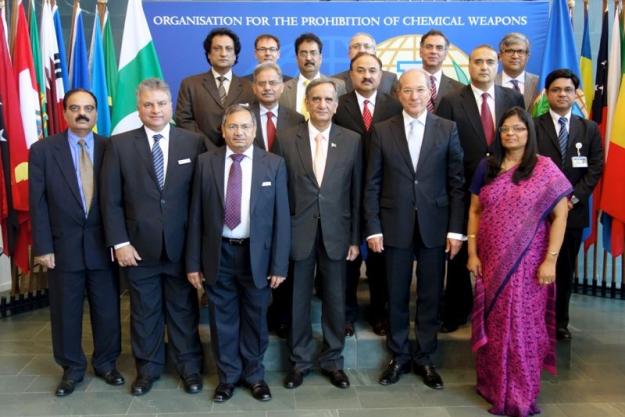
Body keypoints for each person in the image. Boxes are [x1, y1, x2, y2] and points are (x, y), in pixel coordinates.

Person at [101, 78, 206, 396]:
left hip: (181, 249)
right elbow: (110, 200)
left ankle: (189, 369)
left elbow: (199, 202)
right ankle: (147, 370)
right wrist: (120, 243)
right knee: (144, 313)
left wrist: (197, 251)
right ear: (139, 107)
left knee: (183, 310)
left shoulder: (193, 142)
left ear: (171, 105)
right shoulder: (118, 145)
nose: (155, 110)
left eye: (161, 103)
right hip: (137, 249)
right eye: (148, 104)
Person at [467, 107, 571, 417]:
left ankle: (520, 393)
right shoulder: (487, 167)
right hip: (490, 260)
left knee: (523, 325)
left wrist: (550, 260)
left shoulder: (544, 168)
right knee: (495, 324)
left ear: (529, 133)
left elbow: (561, 214)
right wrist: (472, 253)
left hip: (529, 263)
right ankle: (493, 385)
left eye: (518, 129)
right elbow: (474, 211)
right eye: (505, 129)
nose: (511, 134)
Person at [364, 69, 465, 389]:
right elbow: (372, 184)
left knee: (431, 295)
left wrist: (455, 230)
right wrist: (373, 227)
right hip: (394, 225)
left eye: (420, 90)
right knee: (395, 294)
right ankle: (399, 356)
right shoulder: (382, 131)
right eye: (407, 90)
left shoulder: (447, 129)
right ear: (397, 94)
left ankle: (424, 357)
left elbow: (457, 184)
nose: (414, 96)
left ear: (430, 93)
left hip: (436, 226)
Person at [186, 104, 290, 403]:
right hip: (218, 254)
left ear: (255, 131)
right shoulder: (206, 163)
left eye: (245, 127)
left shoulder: (274, 164)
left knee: (256, 320)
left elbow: (281, 219)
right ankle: (228, 378)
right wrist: (193, 262)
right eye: (233, 126)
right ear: (223, 129)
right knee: (223, 321)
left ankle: (255, 376)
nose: (239, 132)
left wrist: (279, 264)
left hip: (256, 257)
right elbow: (195, 216)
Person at [29, 88, 123, 397]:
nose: (82, 113)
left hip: (103, 245)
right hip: (62, 248)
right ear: (65, 112)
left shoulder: (112, 148)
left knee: (107, 309)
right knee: (65, 311)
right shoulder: (43, 150)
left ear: (96, 113)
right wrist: (43, 246)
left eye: (88, 108)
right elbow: (38, 202)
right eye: (75, 108)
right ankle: (71, 368)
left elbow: (121, 200)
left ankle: (107, 363)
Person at [273, 78, 362, 390]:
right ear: (306, 104)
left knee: (336, 300)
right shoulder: (285, 139)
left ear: (336, 105)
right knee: (297, 301)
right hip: (298, 234)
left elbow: (356, 193)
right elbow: (279, 195)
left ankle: (333, 361)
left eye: (328, 99)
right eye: (316, 99)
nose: (322, 105)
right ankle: (299, 362)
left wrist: (355, 238)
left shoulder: (352, 140)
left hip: (338, 234)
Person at [437, 44, 524, 333]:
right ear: (469, 65)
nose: (484, 67)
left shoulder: (513, 97)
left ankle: (496, 311)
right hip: (463, 187)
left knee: (499, 250)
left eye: (489, 61)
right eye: (477, 62)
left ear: (497, 64)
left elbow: (520, 140)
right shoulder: (451, 100)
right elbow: (444, 144)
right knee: (460, 251)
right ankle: (456, 311)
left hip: (504, 188)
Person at [334, 51, 402, 336]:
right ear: (351, 75)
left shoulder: (393, 106)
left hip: (382, 194)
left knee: (380, 260)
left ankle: (379, 313)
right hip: (344, 192)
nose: (367, 75)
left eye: (372, 70)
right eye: (360, 70)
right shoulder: (338, 105)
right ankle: (346, 314)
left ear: (381, 74)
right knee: (347, 261)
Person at [534, 69, 603, 340]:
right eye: (556, 90)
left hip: (573, 212)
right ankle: (536, 318)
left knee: (564, 269)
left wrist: (572, 198)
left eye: (567, 90)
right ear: (547, 94)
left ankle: (559, 321)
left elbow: (595, 167)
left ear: (575, 95)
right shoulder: (533, 124)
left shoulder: (589, 128)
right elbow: (528, 166)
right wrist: (549, 201)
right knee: (538, 266)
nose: (562, 94)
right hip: (540, 213)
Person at [175, 27, 255, 147]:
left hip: (238, 153)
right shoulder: (190, 84)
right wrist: (208, 147)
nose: (223, 54)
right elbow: (184, 120)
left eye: (228, 49)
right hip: (200, 152)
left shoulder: (250, 87)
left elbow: (253, 122)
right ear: (209, 54)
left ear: (235, 56)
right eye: (217, 49)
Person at [279, 33, 346, 117]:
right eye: (304, 53)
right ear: (296, 58)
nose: (308, 58)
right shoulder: (282, 89)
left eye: (313, 53)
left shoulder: (338, 86)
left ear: (320, 58)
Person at [332, 32, 397, 95]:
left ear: (374, 52)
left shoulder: (390, 79)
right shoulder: (335, 81)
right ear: (349, 53)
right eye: (356, 46)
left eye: (367, 46)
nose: (362, 50)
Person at [418, 29, 464, 113]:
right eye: (429, 47)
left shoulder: (459, 89)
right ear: (420, 51)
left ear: (445, 53)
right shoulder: (404, 85)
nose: (433, 51)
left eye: (439, 48)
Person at [495, 33, 539, 111]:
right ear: (500, 56)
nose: (515, 56)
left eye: (520, 51)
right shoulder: (490, 82)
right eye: (509, 51)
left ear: (527, 56)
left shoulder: (539, 83)